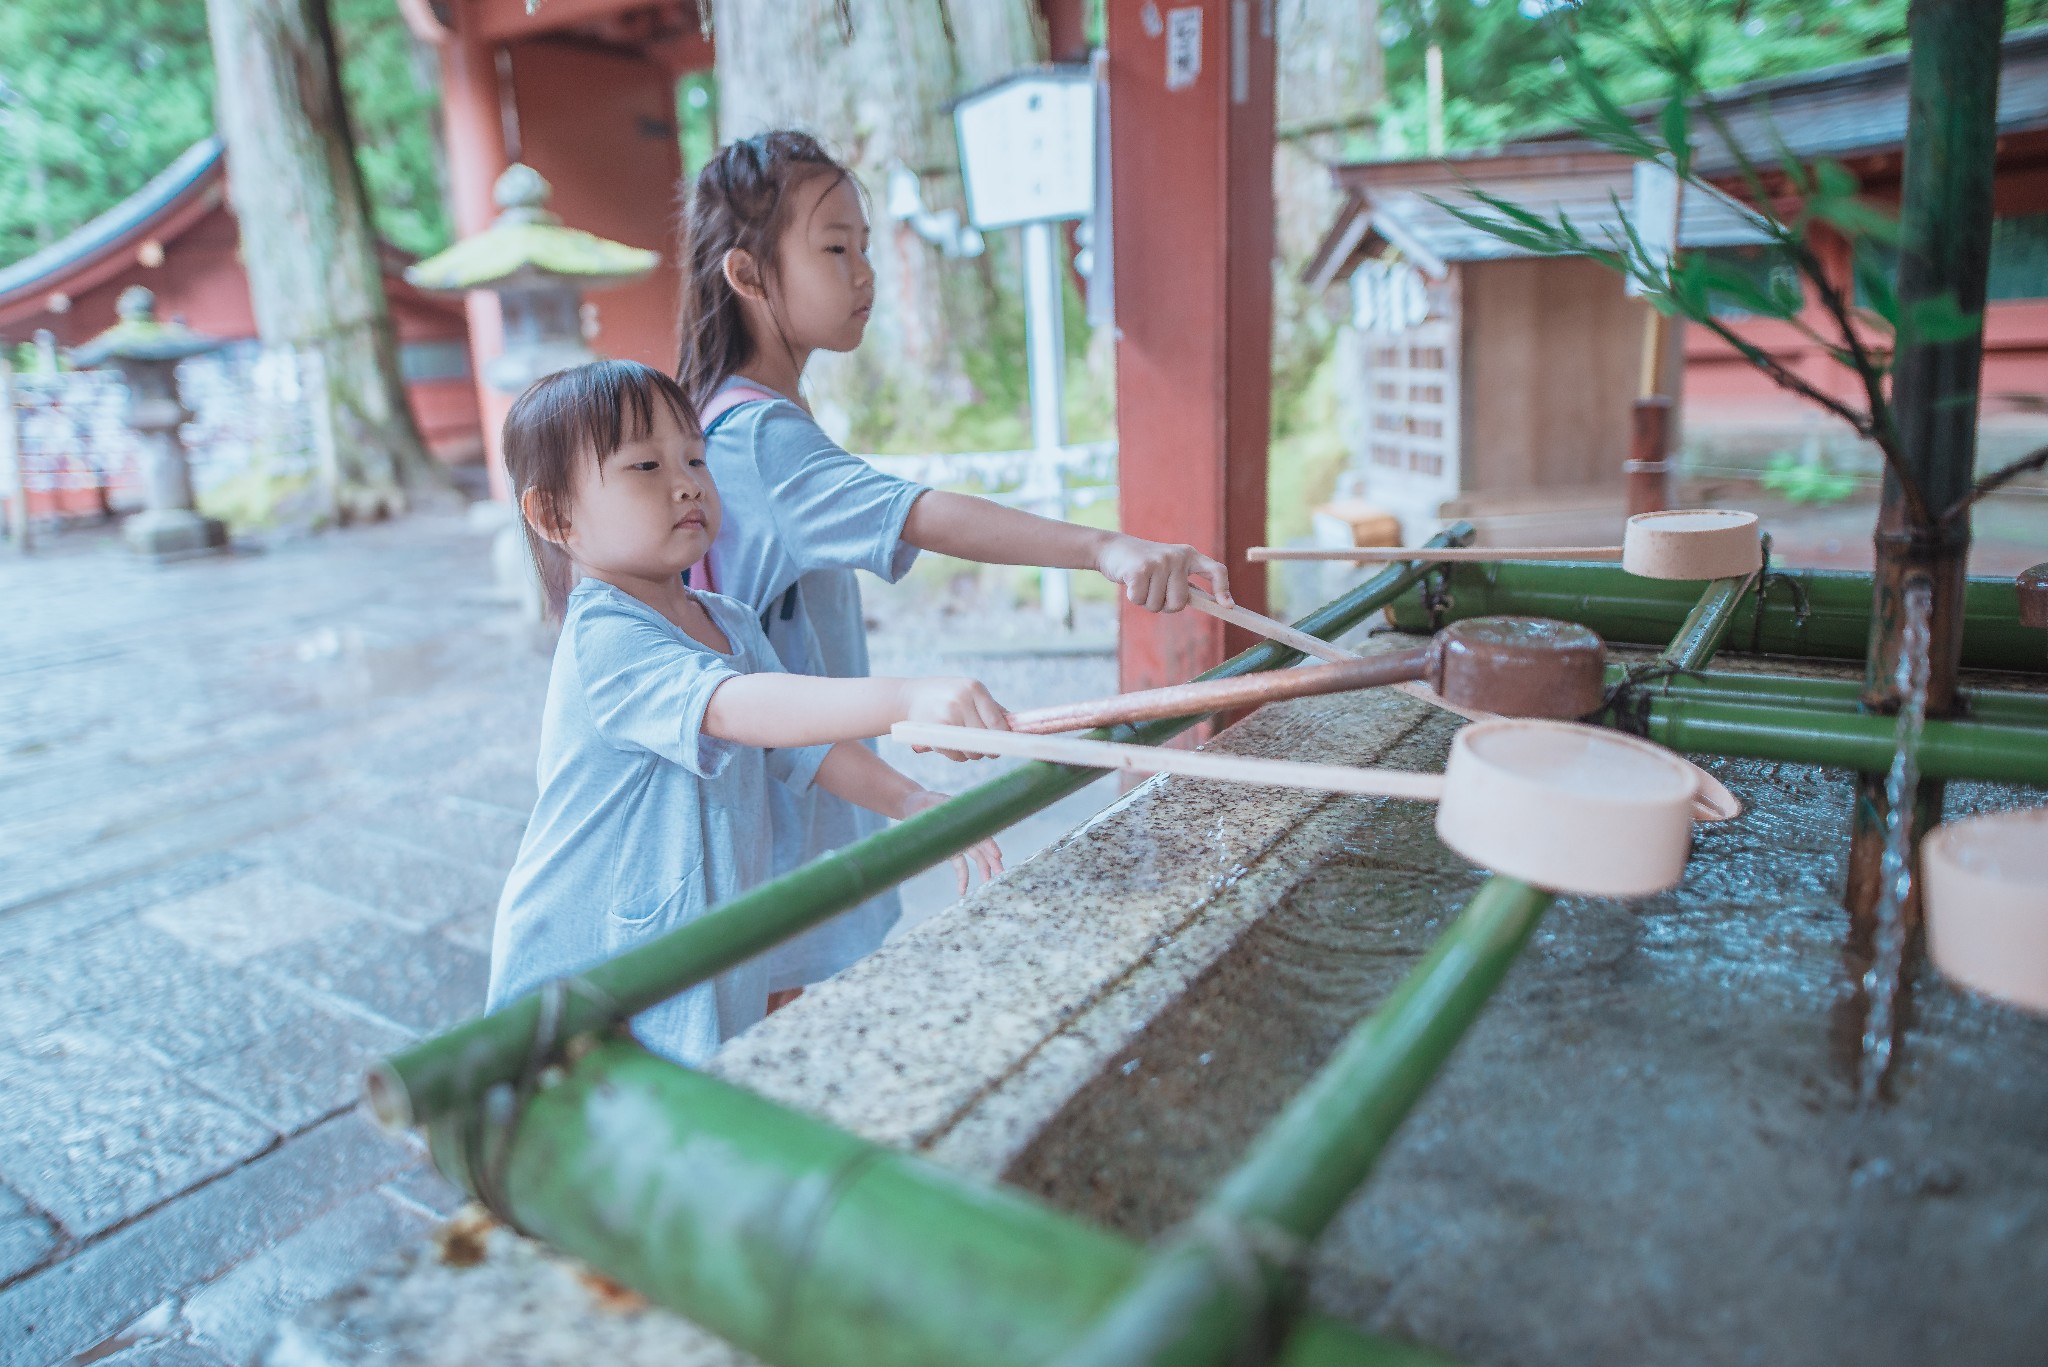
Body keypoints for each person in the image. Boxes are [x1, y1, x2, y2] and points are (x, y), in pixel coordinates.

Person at [675, 131, 1234, 999]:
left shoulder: (723, 417)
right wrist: (1102, 547)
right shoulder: (759, 436)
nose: (863, 273)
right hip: (787, 839)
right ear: (748, 276)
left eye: (863, 246)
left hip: (786, 812)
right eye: (833, 248)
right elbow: (919, 511)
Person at [486, 359, 1006, 1065]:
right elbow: (739, 708)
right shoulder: (605, 637)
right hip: (589, 965)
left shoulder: (728, 621)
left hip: (691, 951)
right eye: (645, 465)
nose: (686, 482)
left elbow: (802, 744)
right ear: (555, 514)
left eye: (694, 456)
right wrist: (906, 697)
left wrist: (912, 799)